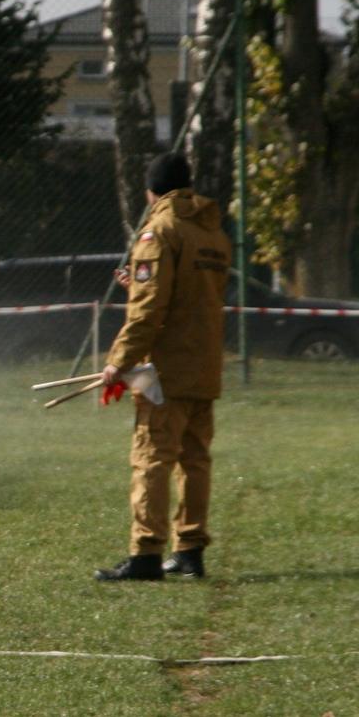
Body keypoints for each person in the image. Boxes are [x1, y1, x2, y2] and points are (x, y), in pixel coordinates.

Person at [95, 152, 231, 582]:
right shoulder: (212, 234)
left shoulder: (160, 231)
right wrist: (136, 283)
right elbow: (191, 294)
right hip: (204, 365)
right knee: (194, 459)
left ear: (152, 192)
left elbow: (149, 311)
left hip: (166, 370)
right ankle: (190, 550)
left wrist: (120, 361)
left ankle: (146, 553)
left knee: (152, 457)